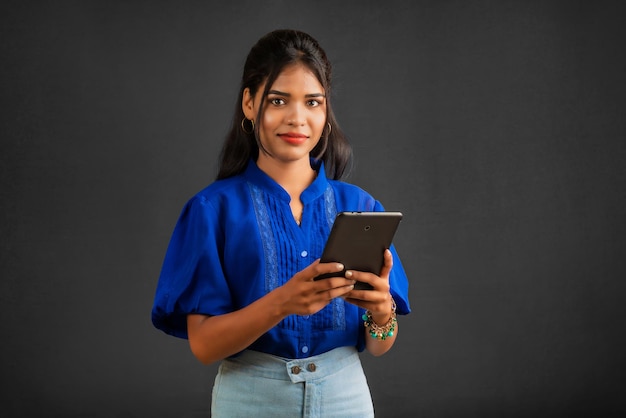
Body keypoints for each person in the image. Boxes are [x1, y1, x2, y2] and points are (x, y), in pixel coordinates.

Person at [151, 29, 411, 417]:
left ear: (325, 112)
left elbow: (379, 344)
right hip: (251, 397)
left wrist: (381, 314)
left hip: (346, 396)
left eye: (312, 102)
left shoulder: (361, 206)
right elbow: (203, 346)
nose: (297, 118)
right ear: (250, 104)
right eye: (278, 100)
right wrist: (281, 303)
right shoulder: (211, 210)